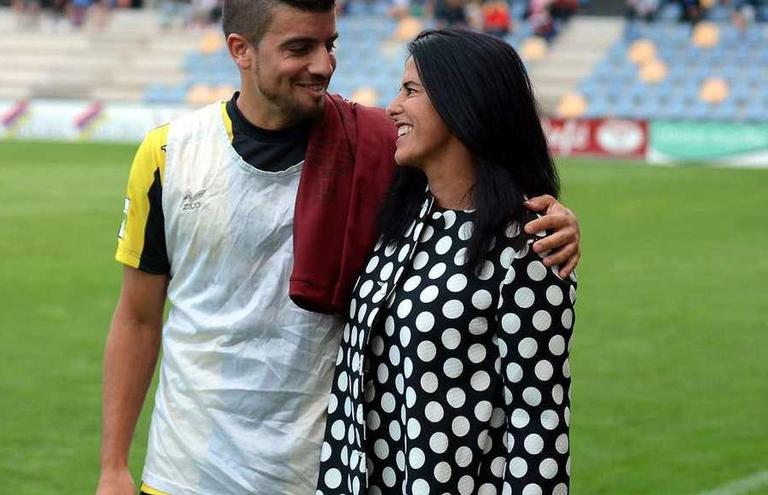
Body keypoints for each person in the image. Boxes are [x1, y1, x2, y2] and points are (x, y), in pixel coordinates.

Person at [96, 1, 582, 494]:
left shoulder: (381, 149)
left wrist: (551, 219)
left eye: (330, 45)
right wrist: (113, 465)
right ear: (241, 50)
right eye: (299, 48)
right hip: (186, 472)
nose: (323, 65)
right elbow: (137, 317)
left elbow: (475, 175)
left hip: (321, 473)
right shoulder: (170, 154)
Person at [315, 29, 576, 494]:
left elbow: (537, 430)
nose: (393, 106)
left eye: (411, 90)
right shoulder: (402, 222)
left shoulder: (529, 248)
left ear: (463, 105)